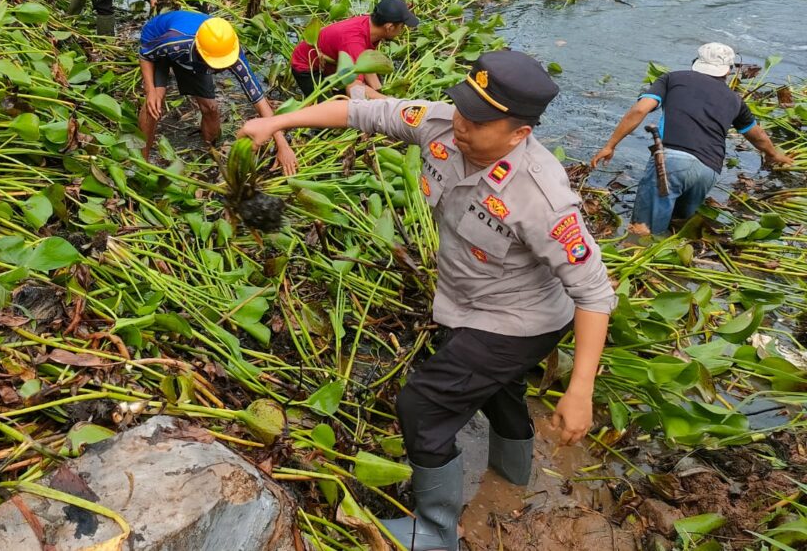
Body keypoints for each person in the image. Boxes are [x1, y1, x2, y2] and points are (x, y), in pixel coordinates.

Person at [239, 50, 616, 549]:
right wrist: (277, 123)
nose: (460, 125)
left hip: (521, 320)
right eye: (462, 108)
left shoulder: (541, 196)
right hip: (465, 299)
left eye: (478, 122)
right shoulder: (441, 124)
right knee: (499, 392)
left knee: (422, 407)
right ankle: (512, 478)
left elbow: (594, 292)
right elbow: (361, 111)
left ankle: (437, 530)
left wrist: (581, 390)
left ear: (519, 133)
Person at [591, 42, 793, 234]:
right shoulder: (735, 100)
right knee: (676, 227)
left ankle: (636, 254)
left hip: (670, 163)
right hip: (708, 171)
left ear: (697, 61)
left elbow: (640, 110)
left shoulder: (672, 79)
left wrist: (610, 145)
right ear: (728, 70)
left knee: (643, 231)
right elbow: (758, 135)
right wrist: (775, 155)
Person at [140, 10, 296, 176]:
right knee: (154, 104)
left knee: (211, 108)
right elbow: (145, 54)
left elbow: (259, 99)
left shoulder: (230, 50)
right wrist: (150, 91)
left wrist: (282, 145)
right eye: (217, 65)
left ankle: (209, 154)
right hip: (158, 45)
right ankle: (143, 164)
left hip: (195, 58)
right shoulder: (176, 41)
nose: (221, 69)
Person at [290, 0, 418, 99]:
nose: (402, 30)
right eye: (402, 26)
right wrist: (390, 103)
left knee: (371, 92)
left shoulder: (372, 27)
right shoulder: (354, 41)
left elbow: (366, 64)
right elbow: (353, 89)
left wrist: (381, 93)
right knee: (331, 114)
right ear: (389, 27)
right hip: (307, 66)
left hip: (333, 60)